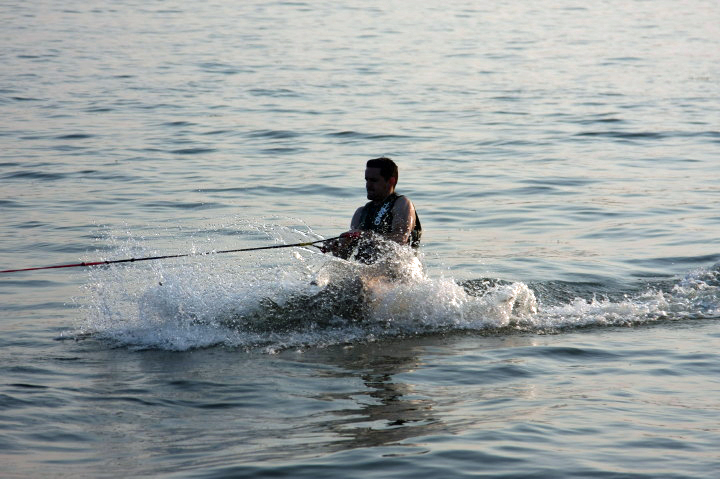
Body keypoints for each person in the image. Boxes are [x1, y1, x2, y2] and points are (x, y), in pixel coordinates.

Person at [324, 157, 421, 263]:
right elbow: (343, 257)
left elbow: (400, 240)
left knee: (362, 279)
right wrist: (337, 247)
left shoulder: (402, 203)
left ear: (391, 181)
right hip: (366, 272)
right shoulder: (360, 213)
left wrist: (364, 235)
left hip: (397, 270)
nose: (368, 185)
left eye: (374, 180)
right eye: (367, 180)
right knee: (319, 280)